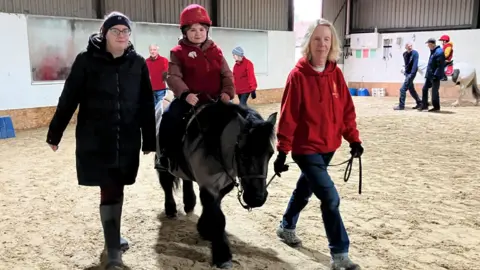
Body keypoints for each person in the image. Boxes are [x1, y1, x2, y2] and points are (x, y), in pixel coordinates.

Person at [45, 12, 156, 269]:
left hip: (127, 138)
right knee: (109, 186)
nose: (121, 35)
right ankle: (113, 250)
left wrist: (149, 139)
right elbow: (69, 97)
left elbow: (146, 103)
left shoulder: (137, 63)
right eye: (115, 30)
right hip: (96, 137)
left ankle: (113, 235)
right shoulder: (86, 61)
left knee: (118, 186)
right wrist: (55, 132)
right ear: (104, 33)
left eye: (125, 31)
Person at [272, 19, 363, 270]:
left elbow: (346, 110)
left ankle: (286, 226)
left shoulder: (336, 73)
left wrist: (353, 138)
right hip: (306, 148)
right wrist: (282, 150)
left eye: (326, 39)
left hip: (329, 145)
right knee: (330, 198)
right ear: (308, 43)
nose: (322, 44)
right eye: (317, 39)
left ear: (332, 42)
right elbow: (288, 115)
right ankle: (340, 254)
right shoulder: (298, 76)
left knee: (305, 188)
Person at [158, 4, 234, 169]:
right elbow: (173, 76)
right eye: (192, 30)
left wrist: (227, 92)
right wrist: (185, 94)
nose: (198, 33)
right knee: (169, 117)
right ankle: (165, 155)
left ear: (207, 30)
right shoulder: (177, 52)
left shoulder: (217, 51)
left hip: (215, 100)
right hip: (190, 100)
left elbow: (226, 74)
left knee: (238, 120)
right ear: (185, 32)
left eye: (201, 29)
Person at [418, 38, 445, 112]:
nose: (428, 46)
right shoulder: (433, 51)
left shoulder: (439, 52)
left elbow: (440, 66)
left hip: (435, 76)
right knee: (424, 89)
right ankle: (424, 106)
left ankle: (436, 107)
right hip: (429, 75)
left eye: (428, 44)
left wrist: (435, 76)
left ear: (432, 44)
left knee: (434, 92)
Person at [394, 41, 422, 110]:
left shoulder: (415, 53)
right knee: (411, 89)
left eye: (411, 45)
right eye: (408, 46)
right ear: (405, 47)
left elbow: (415, 65)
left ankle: (401, 106)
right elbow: (407, 65)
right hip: (407, 74)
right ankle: (420, 103)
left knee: (402, 89)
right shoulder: (404, 54)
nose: (409, 47)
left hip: (412, 74)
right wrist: (405, 73)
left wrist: (411, 74)